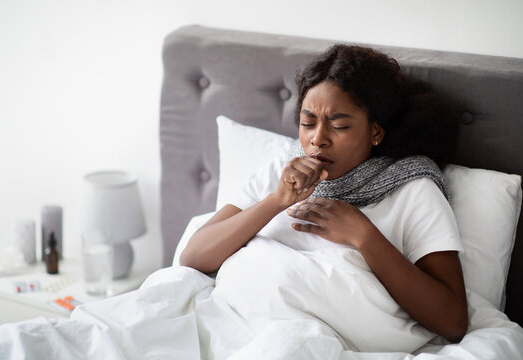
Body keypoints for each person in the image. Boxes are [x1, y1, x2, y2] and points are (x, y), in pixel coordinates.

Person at [180, 44, 468, 343]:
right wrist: (277, 201)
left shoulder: (413, 190)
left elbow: (452, 321)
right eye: (307, 123)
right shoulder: (283, 170)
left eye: (339, 125)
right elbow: (193, 256)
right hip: (232, 322)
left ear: (376, 132)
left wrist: (363, 235)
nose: (318, 139)